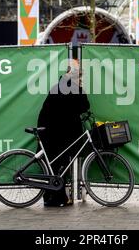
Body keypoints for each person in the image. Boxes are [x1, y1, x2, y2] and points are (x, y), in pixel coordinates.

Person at [36, 60, 90, 207]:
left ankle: (52, 198)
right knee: (58, 165)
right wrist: (80, 86)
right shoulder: (69, 87)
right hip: (56, 134)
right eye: (79, 76)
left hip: (52, 131)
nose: (81, 80)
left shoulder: (61, 85)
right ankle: (56, 198)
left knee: (55, 165)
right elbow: (85, 105)